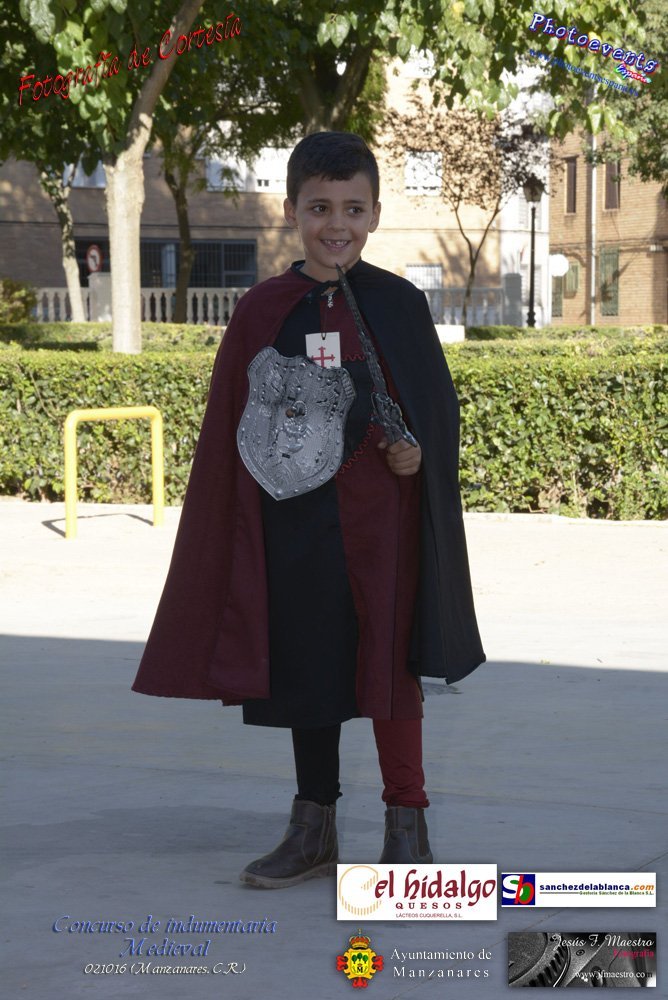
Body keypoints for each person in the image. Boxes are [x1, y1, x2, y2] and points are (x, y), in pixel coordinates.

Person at [132, 131, 485, 888]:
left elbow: (430, 413)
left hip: (383, 523)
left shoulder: (398, 303)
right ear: (292, 210)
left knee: (390, 663)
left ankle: (407, 824)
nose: (337, 224)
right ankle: (313, 825)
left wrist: (414, 452)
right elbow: (238, 421)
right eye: (320, 207)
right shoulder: (263, 309)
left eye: (353, 208)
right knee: (311, 664)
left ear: (376, 214)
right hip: (294, 519)